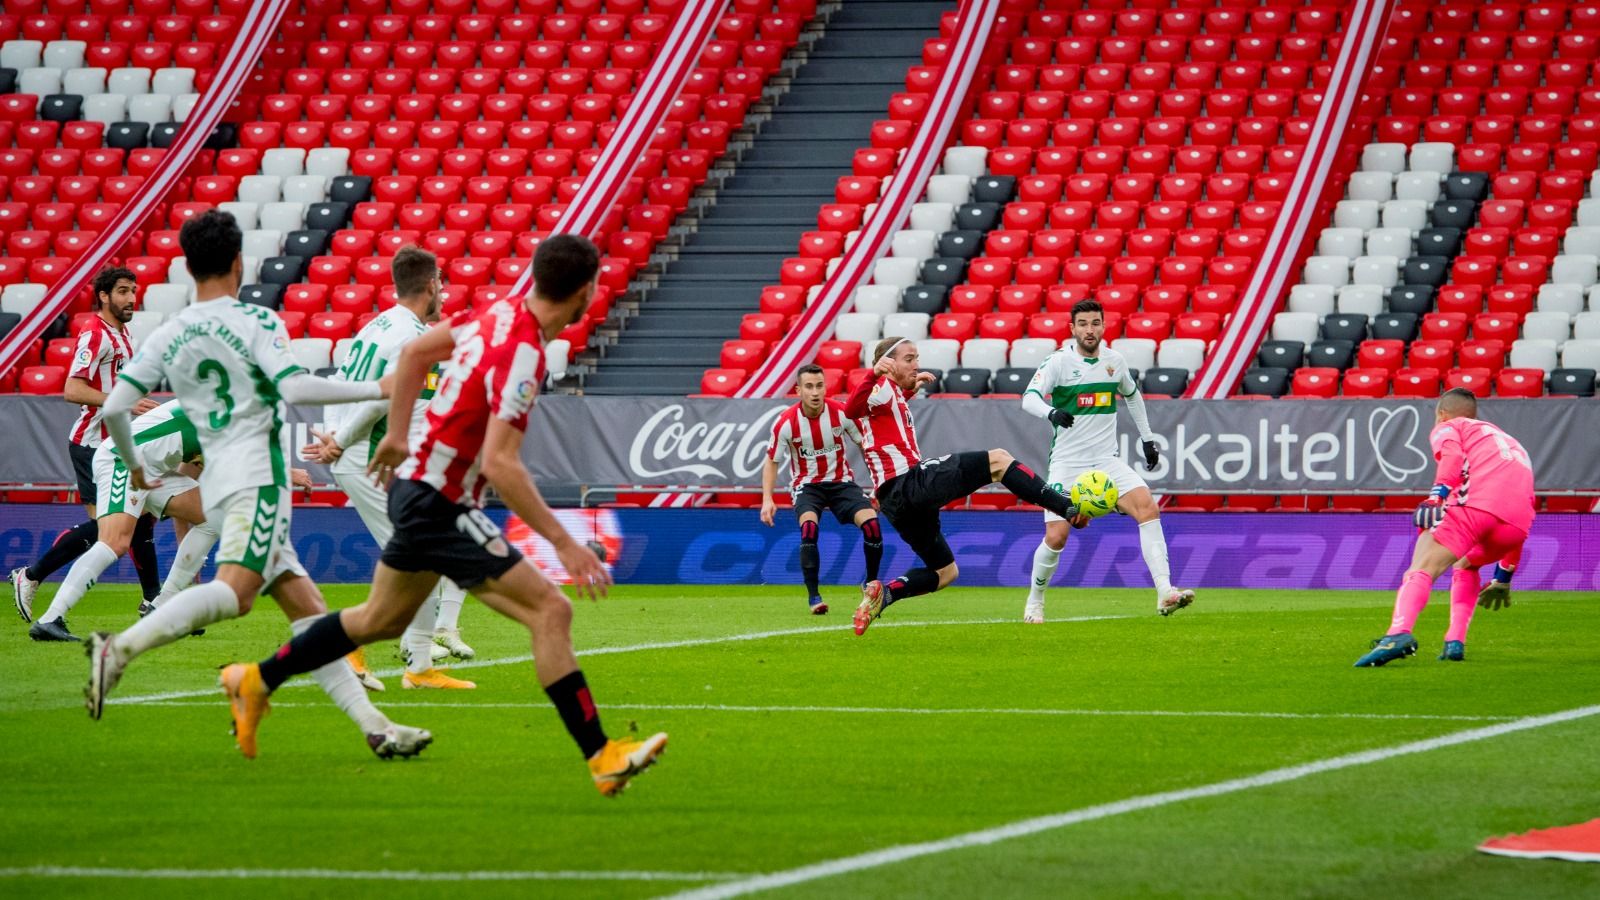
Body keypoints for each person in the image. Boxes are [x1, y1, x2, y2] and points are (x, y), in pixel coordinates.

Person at [215, 234, 668, 796]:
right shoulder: (525, 353)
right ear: (588, 291)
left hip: (421, 490)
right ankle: (601, 756)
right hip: (441, 501)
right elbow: (502, 464)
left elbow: (413, 355)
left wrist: (401, 435)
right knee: (551, 612)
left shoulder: (499, 313)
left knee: (381, 620)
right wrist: (563, 542)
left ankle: (254, 679)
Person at [85, 208, 431, 760]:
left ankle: (376, 728)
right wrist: (381, 385)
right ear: (239, 261)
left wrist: (137, 465)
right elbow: (295, 389)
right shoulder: (258, 322)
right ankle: (120, 649)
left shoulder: (171, 330)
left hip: (218, 479)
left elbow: (119, 405)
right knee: (237, 594)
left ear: (187, 264)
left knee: (309, 611)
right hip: (258, 478)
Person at [301, 246, 475, 690]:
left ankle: (417, 667)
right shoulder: (408, 336)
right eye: (442, 283)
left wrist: (335, 430)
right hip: (367, 458)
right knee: (416, 556)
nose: (443, 291)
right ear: (432, 283)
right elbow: (382, 399)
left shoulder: (380, 324)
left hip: (364, 453)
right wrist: (339, 441)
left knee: (422, 556)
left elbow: (347, 382)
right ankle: (353, 647)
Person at [843, 336, 1081, 636]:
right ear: (887, 363)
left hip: (895, 503)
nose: (917, 364)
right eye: (909, 358)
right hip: (908, 483)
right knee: (998, 460)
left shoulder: (889, 393)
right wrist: (874, 373)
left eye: (917, 357)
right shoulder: (878, 387)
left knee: (945, 572)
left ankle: (885, 594)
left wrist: (909, 389)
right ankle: (1067, 507)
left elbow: (877, 410)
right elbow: (852, 409)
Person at [1019, 299, 1195, 622]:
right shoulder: (1058, 362)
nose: (1090, 330)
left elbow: (1132, 395)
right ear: (1072, 329)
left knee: (1148, 507)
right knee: (1057, 536)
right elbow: (1028, 399)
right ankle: (1035, 600)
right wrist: (1052, 412)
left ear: (1104, 326)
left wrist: (1147, 438)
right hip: (1067, 464)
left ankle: (1165, 591)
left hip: (1106, 462)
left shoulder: (1115, 361)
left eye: (1095, 323)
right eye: (1083, 324)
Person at [13, 267, 164, 627]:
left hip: (116, 444)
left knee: (139, 522)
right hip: (94, 445)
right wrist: (122, 403)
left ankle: (154, 601)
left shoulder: (123, 332)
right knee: (108, 531)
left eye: (134, 291)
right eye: (124, 291)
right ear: (104, 295)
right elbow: (72, 390)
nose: (132, 298)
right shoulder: (94, 334)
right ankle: (32, 574)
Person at [1355, 388, 1536, 666]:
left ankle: (1397, 633)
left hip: (1475, 507)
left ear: (1441, 413)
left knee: (1422, 568)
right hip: (1515, 528)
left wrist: (1435, 497)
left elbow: (1450, 456)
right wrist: (1503, 577)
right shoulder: (1513, 445)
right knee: (1465, 565)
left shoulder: (1451, 425)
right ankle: (1455, 642)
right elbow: (1521, 504)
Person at [28, 400, 226, 641]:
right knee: (115, 542)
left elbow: (189, 474)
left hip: (154, 469)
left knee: (213, 516)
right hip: (121, 459)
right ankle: (50, 619)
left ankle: (162, 605)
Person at [760, 364, 883, 614]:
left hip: (841, 483)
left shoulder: (841, 413)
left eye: (819, 386)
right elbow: (771, 461)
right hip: (807, 486)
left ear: (825, 387)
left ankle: (870, 587)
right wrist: (767, 499)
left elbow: (866, 447)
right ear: (798, 390)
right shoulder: (786, 422)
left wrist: (878, 484)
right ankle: (814, 596)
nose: (815, 392)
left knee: (872, 526)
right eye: (809, 386)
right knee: (809, 528)